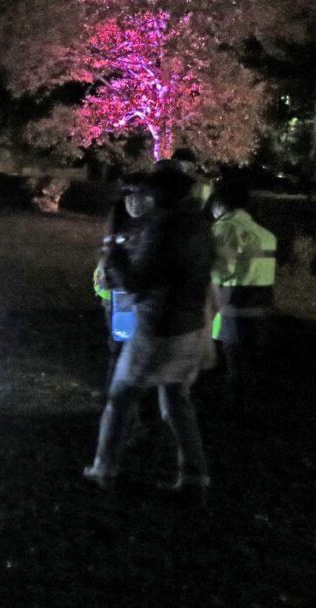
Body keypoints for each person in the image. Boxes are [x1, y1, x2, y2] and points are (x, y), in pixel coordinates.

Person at [84, 164, 215, 503]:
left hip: (157, 330)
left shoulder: (163, 227)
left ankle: (103, 470)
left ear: (161, 194)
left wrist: (114, 255)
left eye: (149, 192)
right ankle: (195, 476)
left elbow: (137, 284)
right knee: (177, 402)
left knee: (120, 398)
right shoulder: (200, 226)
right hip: (189, 328)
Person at [209, 178, 277, 400]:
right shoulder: (265, 234)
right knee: (253, 364)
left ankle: (234, 409)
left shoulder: (225, 228)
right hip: (262, 308)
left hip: (234, 309)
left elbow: (219, 272)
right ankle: (252, 406)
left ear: (220, 203)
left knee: (234, 365)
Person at [93, 172, 151, 385]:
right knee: (119, 346)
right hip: (118, 293)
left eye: (140, 195)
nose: (134, 200)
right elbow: (107, 255)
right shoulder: (117, 215)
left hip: (142, 295)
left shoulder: (155, 222)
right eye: (129, 195)